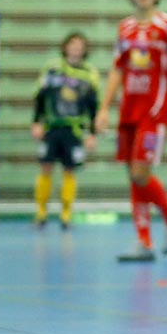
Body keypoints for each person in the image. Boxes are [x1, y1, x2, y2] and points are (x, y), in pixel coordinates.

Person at [94, 0, 167, 261]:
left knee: (140, 173)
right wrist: (104, 108)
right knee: (133, 176)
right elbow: (117, 69)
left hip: (155, 111)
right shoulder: (124, 28)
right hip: (129, 111)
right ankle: (144, 241)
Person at [31, 33, 100, 230]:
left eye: (80, 45)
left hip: (74, 130)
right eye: (73, 44)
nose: (76, 48)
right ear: (65, 46)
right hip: (52, 127)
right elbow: (40, 96)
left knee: (70, 170)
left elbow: (94, 106)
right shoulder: (53, 69)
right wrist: (36, 122)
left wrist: (92, 133)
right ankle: (41, 212)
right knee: (46, 167)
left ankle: (66, 213)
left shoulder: (89, 74)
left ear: (85, 49)